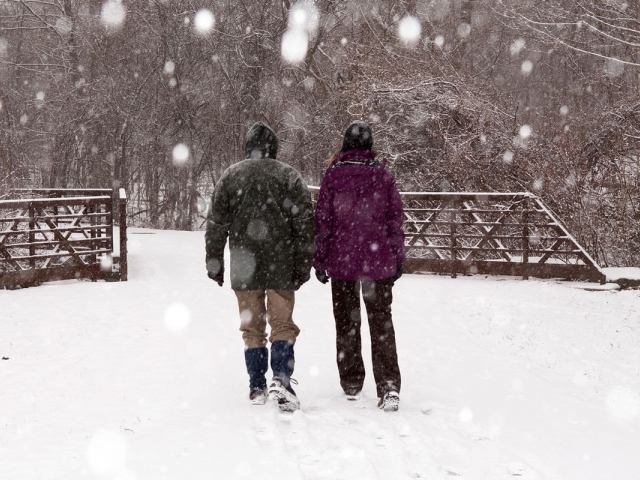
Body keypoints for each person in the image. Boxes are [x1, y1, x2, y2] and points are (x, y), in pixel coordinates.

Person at [205, 122, 314, 412]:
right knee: (283, 325)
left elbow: (217, 224)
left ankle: (256, 385)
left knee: (251, 327)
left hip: (244, 263)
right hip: (281, 261)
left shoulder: (232, 176)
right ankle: (281, 376)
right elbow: (304, 225)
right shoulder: (289, 176)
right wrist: (304, 264)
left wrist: (214, 260)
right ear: (274, 148)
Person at [313, 121, 405, 412]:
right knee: (381, 324)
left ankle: (352, 381)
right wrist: (397, 258)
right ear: (369, 145)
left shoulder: (333, 176)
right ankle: (388, 385)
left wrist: (320, 259)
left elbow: (323, 222)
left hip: (342, 261)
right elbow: (395, 221)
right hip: (377, 262)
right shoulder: (383, 176)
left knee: (347, 323)